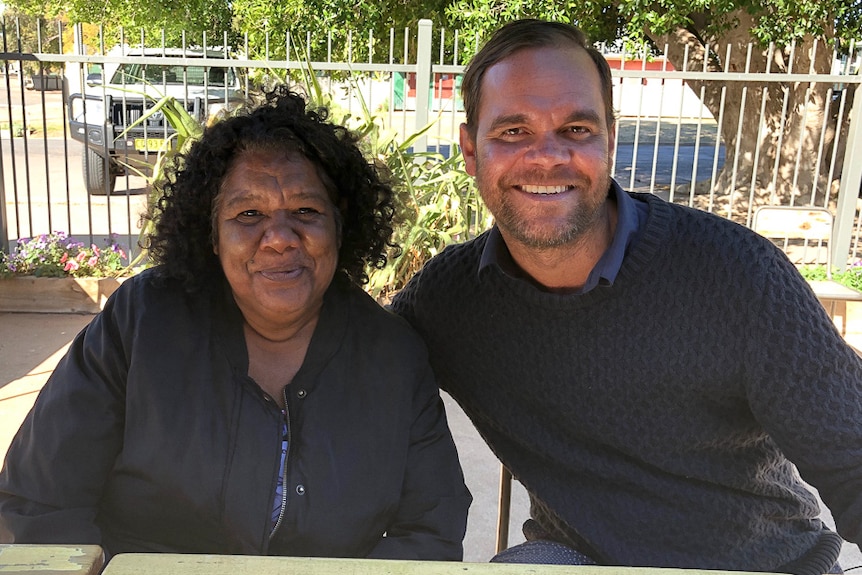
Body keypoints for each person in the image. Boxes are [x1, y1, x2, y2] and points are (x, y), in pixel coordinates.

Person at [391, 18, 862, 575]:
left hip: (763, 566)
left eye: (575, 129)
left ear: (609, 138)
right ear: (471, 150)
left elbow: (853, 461)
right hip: (576, 559)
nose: (547, 157)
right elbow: (353, 361)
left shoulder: (736, 276)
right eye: (513, 131)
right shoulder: (452, 299)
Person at [0, 85, 471, 560]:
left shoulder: (393, 355)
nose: (280, 238)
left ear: (340, 223)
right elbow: (42, 499)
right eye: (249, 214)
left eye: (306, 211)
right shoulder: (141, 322)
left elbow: (430, 529)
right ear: (212, 234)